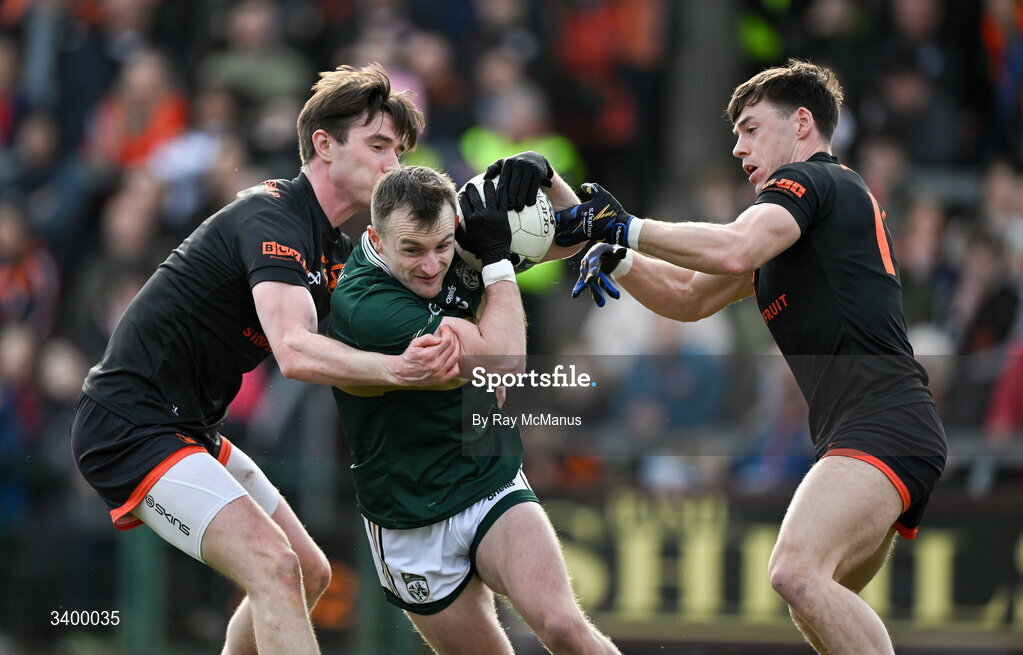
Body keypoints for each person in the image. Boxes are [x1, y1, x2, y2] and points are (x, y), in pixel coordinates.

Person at [70, 64, 460, 655]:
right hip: (129, 425)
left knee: (309, 571)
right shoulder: (271, 214)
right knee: (275, 567)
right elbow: (297, 351)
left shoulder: (335, 246)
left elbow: (398, 312)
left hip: (186, 428)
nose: (393, 166)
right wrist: (398, 370)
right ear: (323, 146)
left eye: (399, 152)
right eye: (378, 145)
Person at [562, 60, 946, 654]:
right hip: (874, 425)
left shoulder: (818, 182)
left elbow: (735, 243)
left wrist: (626, 227)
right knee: (816, 597)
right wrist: (616, 255)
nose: (739, 147)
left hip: (882, 421)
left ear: (801, 123)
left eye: (749, 128)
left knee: (794, 572)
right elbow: (687, 299)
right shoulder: (793, 225)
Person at [328, 163, 620, 655]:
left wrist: (547, 178)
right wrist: (497, 262)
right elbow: (504, 365)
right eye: (412, 250)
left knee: (565, 627)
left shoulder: (456, 234)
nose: (430, 265)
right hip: (409, 515)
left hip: (489, 477)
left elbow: (574, 230)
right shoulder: (367, 306)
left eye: (442, 246)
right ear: (376, 240)